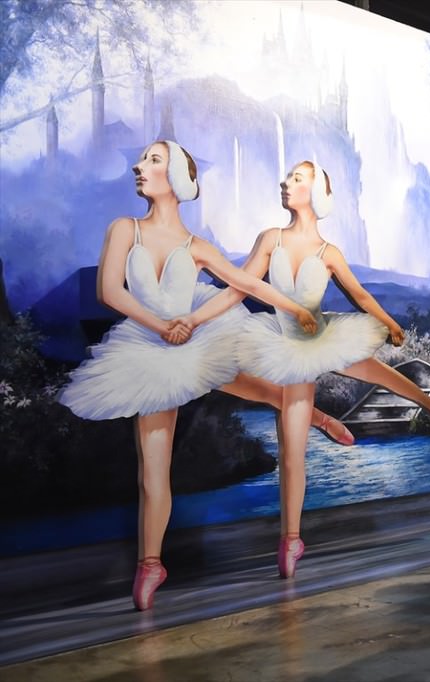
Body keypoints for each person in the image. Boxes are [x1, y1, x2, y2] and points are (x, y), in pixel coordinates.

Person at [58, 140, 322, 610]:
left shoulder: (197, 246)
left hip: (194, 336)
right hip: (148, 348)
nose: (138, 166)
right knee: (152, 468)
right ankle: (151, 564)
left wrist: (294, 308)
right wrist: (161, 327)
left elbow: (246, 283)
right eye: (142, 159)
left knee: (248, 383)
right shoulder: (124, 229)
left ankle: (316, 415)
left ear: (177, 176)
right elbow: (109, 291)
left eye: (153, 160)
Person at [226, 160, 430, 579]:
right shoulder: (270, 239)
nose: (285, 183)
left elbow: (360, 295)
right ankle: (291, 538)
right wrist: (201, 317)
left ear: (315, 192)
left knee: (370, 369)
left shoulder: (328, 252)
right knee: (290, 446)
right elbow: (239, 285)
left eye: (297, 178)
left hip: (321, 333)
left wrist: (388, 322)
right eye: (288, 177)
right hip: (282, 341)